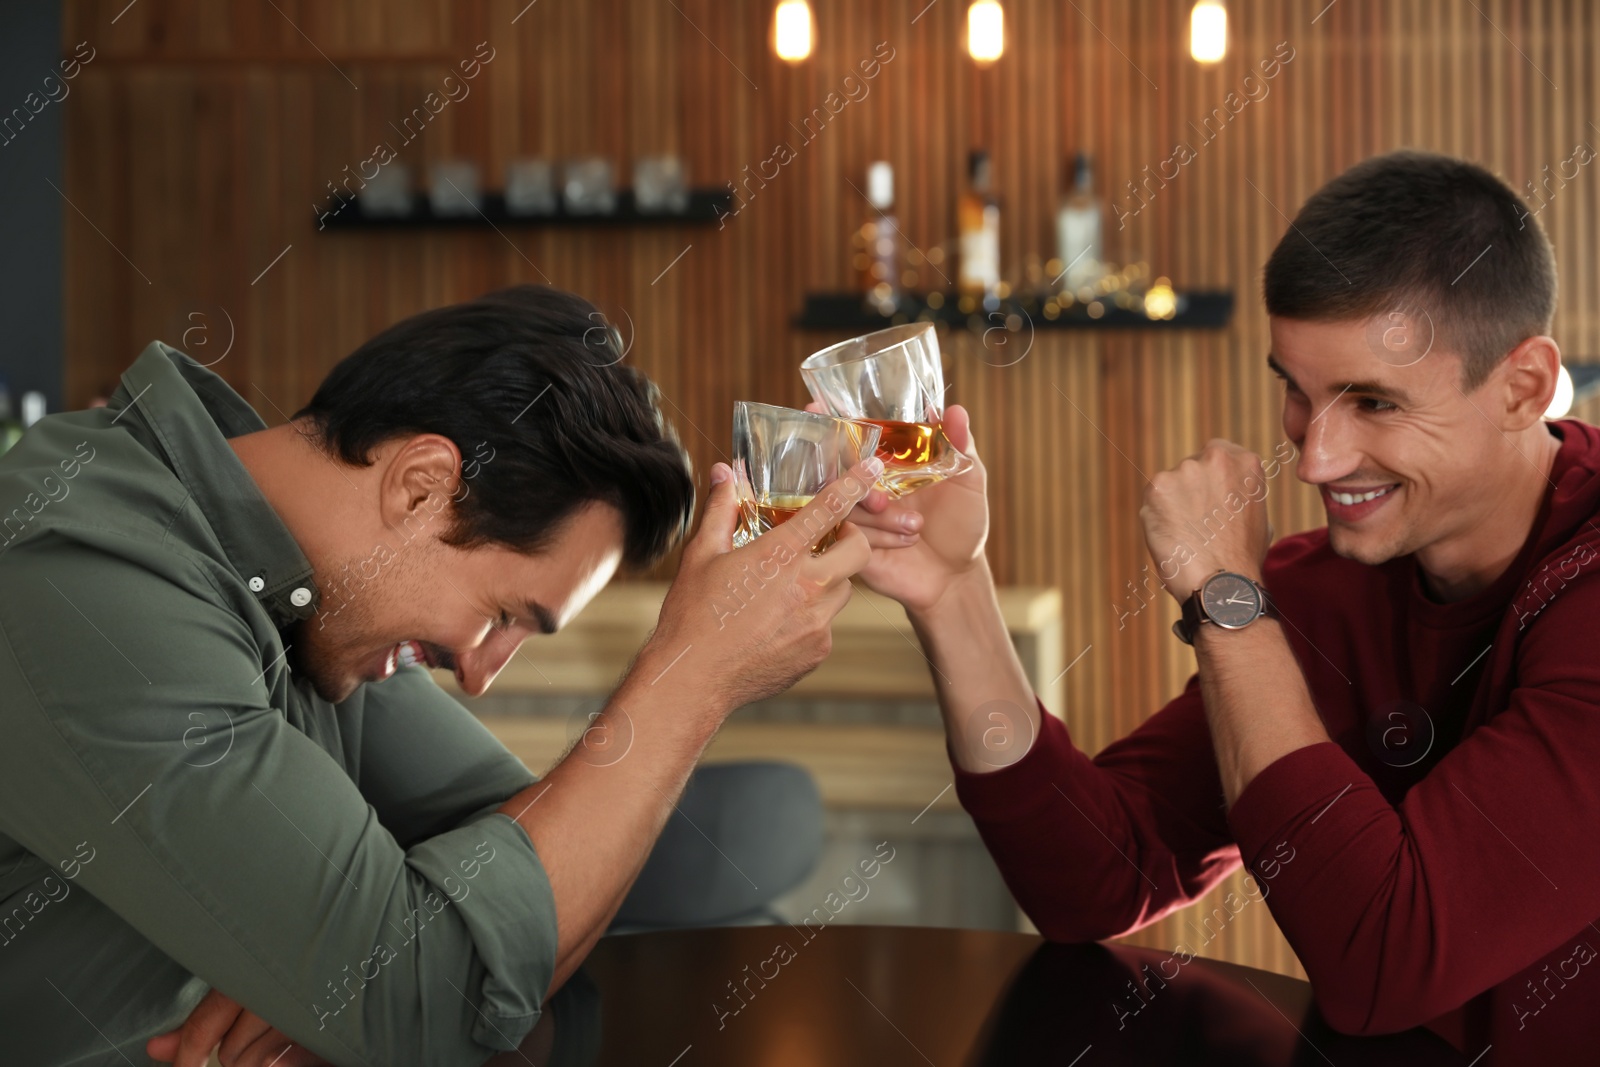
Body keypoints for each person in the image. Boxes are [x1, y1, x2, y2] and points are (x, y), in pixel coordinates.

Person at [845, 150, 1600, 1062]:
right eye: (1299, 390)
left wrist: (1228, 603)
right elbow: (1097, 876)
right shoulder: (1329, 585)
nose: (1315, 458)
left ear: (1522, 385)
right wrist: (952, 588)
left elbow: (1383, 963)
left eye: (1372, 401)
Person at [0, 285, 879, 1067]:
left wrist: (346, 981)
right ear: (421, 486)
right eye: (503, 615)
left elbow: (531, 872)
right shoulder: (86, 574)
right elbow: (439, 987)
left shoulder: (301, 592)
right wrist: (694, 675)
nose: (481, 673)